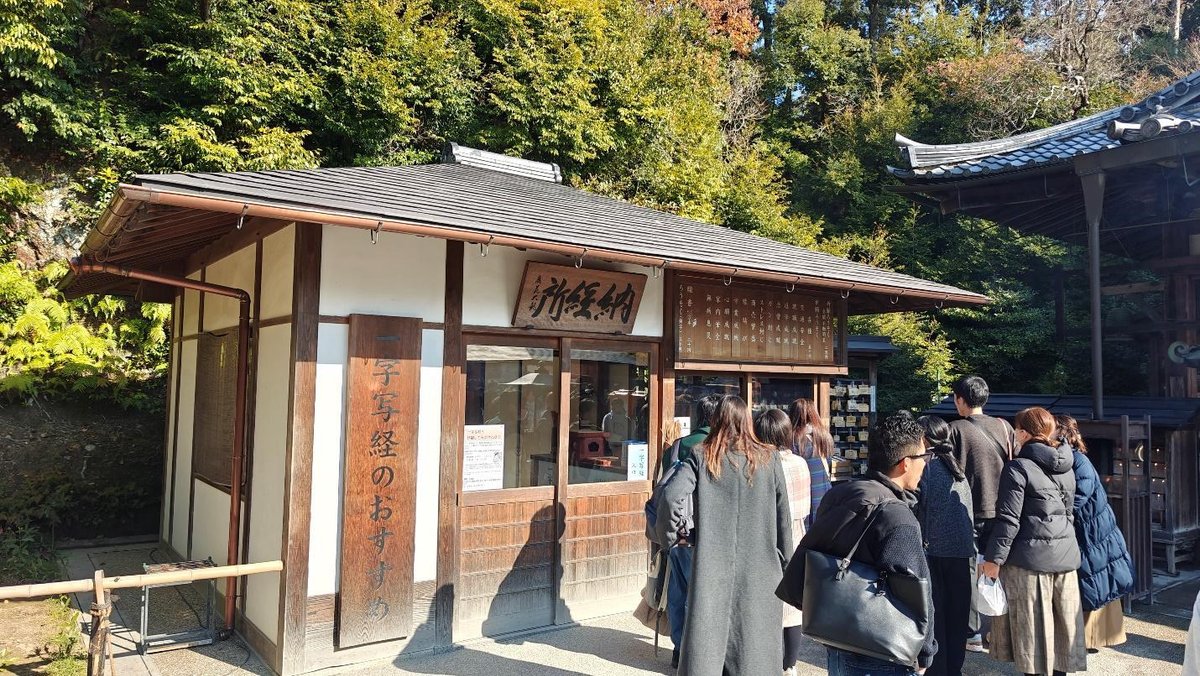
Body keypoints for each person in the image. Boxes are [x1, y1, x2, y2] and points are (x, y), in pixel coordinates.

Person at [780, 412, 937, 676]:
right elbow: (918, 591)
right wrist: (925, 653)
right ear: (905, 463)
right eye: (924, 458)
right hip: (882, 649)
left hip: (837, 635)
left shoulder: (841, 495)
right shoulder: (897, 517)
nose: (926, 465)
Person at [657, 395, 793, 675]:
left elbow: (669, 496)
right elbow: (784, 517)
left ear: (716, 420)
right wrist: (787, 561)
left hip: (711, 566)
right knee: (753, 648)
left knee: (708, 649)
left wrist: (670, 539)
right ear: (748, 422)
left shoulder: (701, 455)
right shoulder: (769, 458)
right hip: (761, 568)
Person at [979, 406, 1086, 676]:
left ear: (1024, 433)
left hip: (1029, 563)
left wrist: (994, 560)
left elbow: (1009, 520)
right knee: (1062, 636)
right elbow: (1070, 513)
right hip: (1066, 559)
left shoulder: (1018, 468)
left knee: (1033, 638)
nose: (1015, 434)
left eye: (1017, 429)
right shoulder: (1067, 464)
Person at [946, 375, 1016, 652]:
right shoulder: (1004, 426)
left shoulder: (955, 429)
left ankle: (972, 631)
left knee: (970, 569)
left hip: (968, 509)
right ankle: (1000, 632)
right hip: (1004, 508)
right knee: (998, 568)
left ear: (960, 400)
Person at [1057, 414, 1133, 652]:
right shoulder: (1076, 459)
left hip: (1093, 533)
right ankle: (1090, 639)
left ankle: (1091, 639)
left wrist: (1059, 512)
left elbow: (1079, 496)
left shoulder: (1078, 462)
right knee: (1095, 582)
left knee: (1094, 583)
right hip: (1093, 531)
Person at [660, 394, 721, 669]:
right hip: (705, 531)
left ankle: (677, 648)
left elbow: (663, 488)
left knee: (678, 590)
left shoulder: (677, 446)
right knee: (703, 595)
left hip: (678, 531)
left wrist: (667, 534)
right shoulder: (717, 448)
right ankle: (697, 654)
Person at [916, 415, 975, 676]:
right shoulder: (957, 470)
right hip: (961, 552)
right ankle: (954, 667)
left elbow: (919, 508)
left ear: (924, 439)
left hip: (935, 551)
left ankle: (938, 668)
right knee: (957, 614)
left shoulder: (927, 469)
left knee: (936, 614)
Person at [756, 408, 811, 676]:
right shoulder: (800, 463)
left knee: (769, 603)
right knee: (793, 606)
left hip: (769, 539)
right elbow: (807, 506)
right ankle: (791, 664)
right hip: (798, 536)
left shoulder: (761, 465)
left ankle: (770, 662)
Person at [788, 397, 834, 525]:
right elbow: (829, 461)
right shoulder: (824, 436)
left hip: (804, 494)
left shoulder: (794, 439)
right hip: (824, 492)